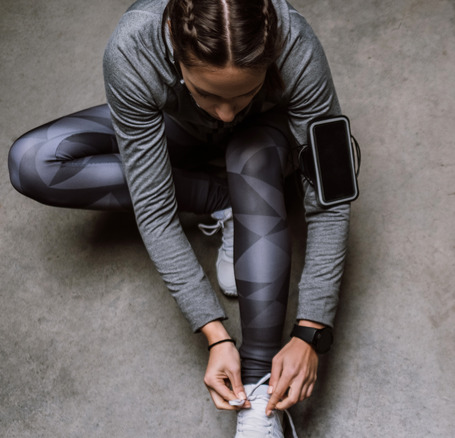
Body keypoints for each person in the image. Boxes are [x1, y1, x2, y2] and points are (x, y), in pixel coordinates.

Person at [7, 0, 351, 436]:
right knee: (33, 161)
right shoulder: (135, 45)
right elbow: (155, 210)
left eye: (245, 91)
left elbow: (331, 200)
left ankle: (259, 385)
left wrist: (309, 333)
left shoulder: (295, 43)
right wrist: (214, 333)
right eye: (207, 92)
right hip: (179, 130)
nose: (227, 112)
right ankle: (225, 199)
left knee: (246, 150)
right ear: (172, 40)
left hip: (265, 143)